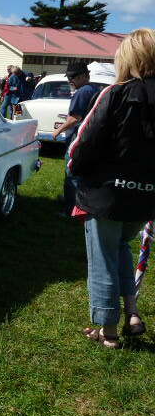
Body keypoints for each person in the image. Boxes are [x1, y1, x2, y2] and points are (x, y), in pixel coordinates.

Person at [69, 28, 155, 348]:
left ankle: (107, 329)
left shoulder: (116, 93)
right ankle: (131, 312)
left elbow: (83, 144)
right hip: (145, 197)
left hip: (107, 193)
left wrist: (77, 175)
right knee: (120, 248)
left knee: (102, 256)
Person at [53, 61, 100, 216]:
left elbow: (74, 118)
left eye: (73, 77)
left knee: (71, 173)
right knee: (83, 175)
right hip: (91, 139)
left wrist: (57, 131)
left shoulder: (83, 92)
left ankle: (70, 208)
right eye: (68, 77)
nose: (69, 80)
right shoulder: (95, 89)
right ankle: (76, 202)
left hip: (79, 139)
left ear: (84, 76)